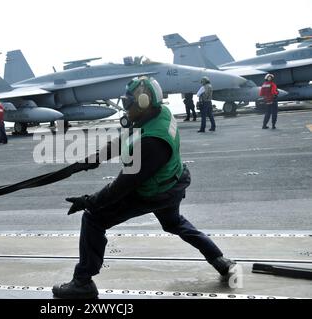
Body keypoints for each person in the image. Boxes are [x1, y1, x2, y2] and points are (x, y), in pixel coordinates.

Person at [52, 77, 236, 299]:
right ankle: (219, 260)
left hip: (152, 192)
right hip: (173, 181)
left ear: (142, 103)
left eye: (129, 103)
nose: (126, 107)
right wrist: (92, 159)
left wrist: (89, 201)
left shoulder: (151, 143)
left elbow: (122, 186)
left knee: (93, 218)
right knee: (174, 223)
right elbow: (126, 137)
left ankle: (82, 283)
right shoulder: (159, 113)